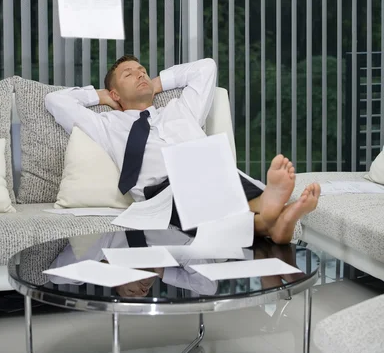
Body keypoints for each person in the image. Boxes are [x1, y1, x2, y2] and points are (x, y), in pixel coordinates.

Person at [45, 56, 321, 244]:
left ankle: (272, 219)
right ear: (115, 93)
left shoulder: (181, 109)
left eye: (142, 71)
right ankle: (275, 214)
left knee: (220, 180)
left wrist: (155, 83)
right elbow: (55, 101)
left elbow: (207, 68)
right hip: (165, 192)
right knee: (195, 204)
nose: (140, 74)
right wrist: (100, 95)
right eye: (129, 74)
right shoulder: (106, 124)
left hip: (211, 173)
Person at [47, 229, 219, 297]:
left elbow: (57, 275)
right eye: (146, 292)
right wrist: (164, 273)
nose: (143, 292)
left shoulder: (106, 242)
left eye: (130, 291)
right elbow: (209, 286)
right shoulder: (173, 250)